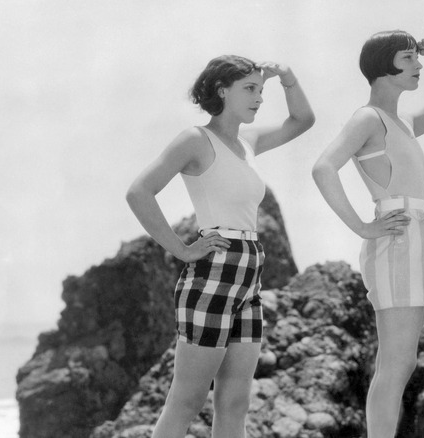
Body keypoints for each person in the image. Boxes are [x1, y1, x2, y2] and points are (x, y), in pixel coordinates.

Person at [126, 55, 314, 438]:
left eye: (261, 90)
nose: (259, 98)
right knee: (187, 401)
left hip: (249, 278)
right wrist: (182, 249)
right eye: (249, 88)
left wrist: (288, 79)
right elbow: (139, 192)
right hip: (213, 273)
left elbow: (303, 121)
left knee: (235, 403)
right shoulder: (195, 139)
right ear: (220, 90)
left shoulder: (249, 141)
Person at [312, 30, 424, 437]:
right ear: (384, 65)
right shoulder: (368, 118)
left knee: (404, 361)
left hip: (418, 238)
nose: (417, 66)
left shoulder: (404, 121)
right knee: (396, 361)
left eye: (417, 58)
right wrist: (361, 226)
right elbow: (323, 167)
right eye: (408, 58)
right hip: (396, 237)